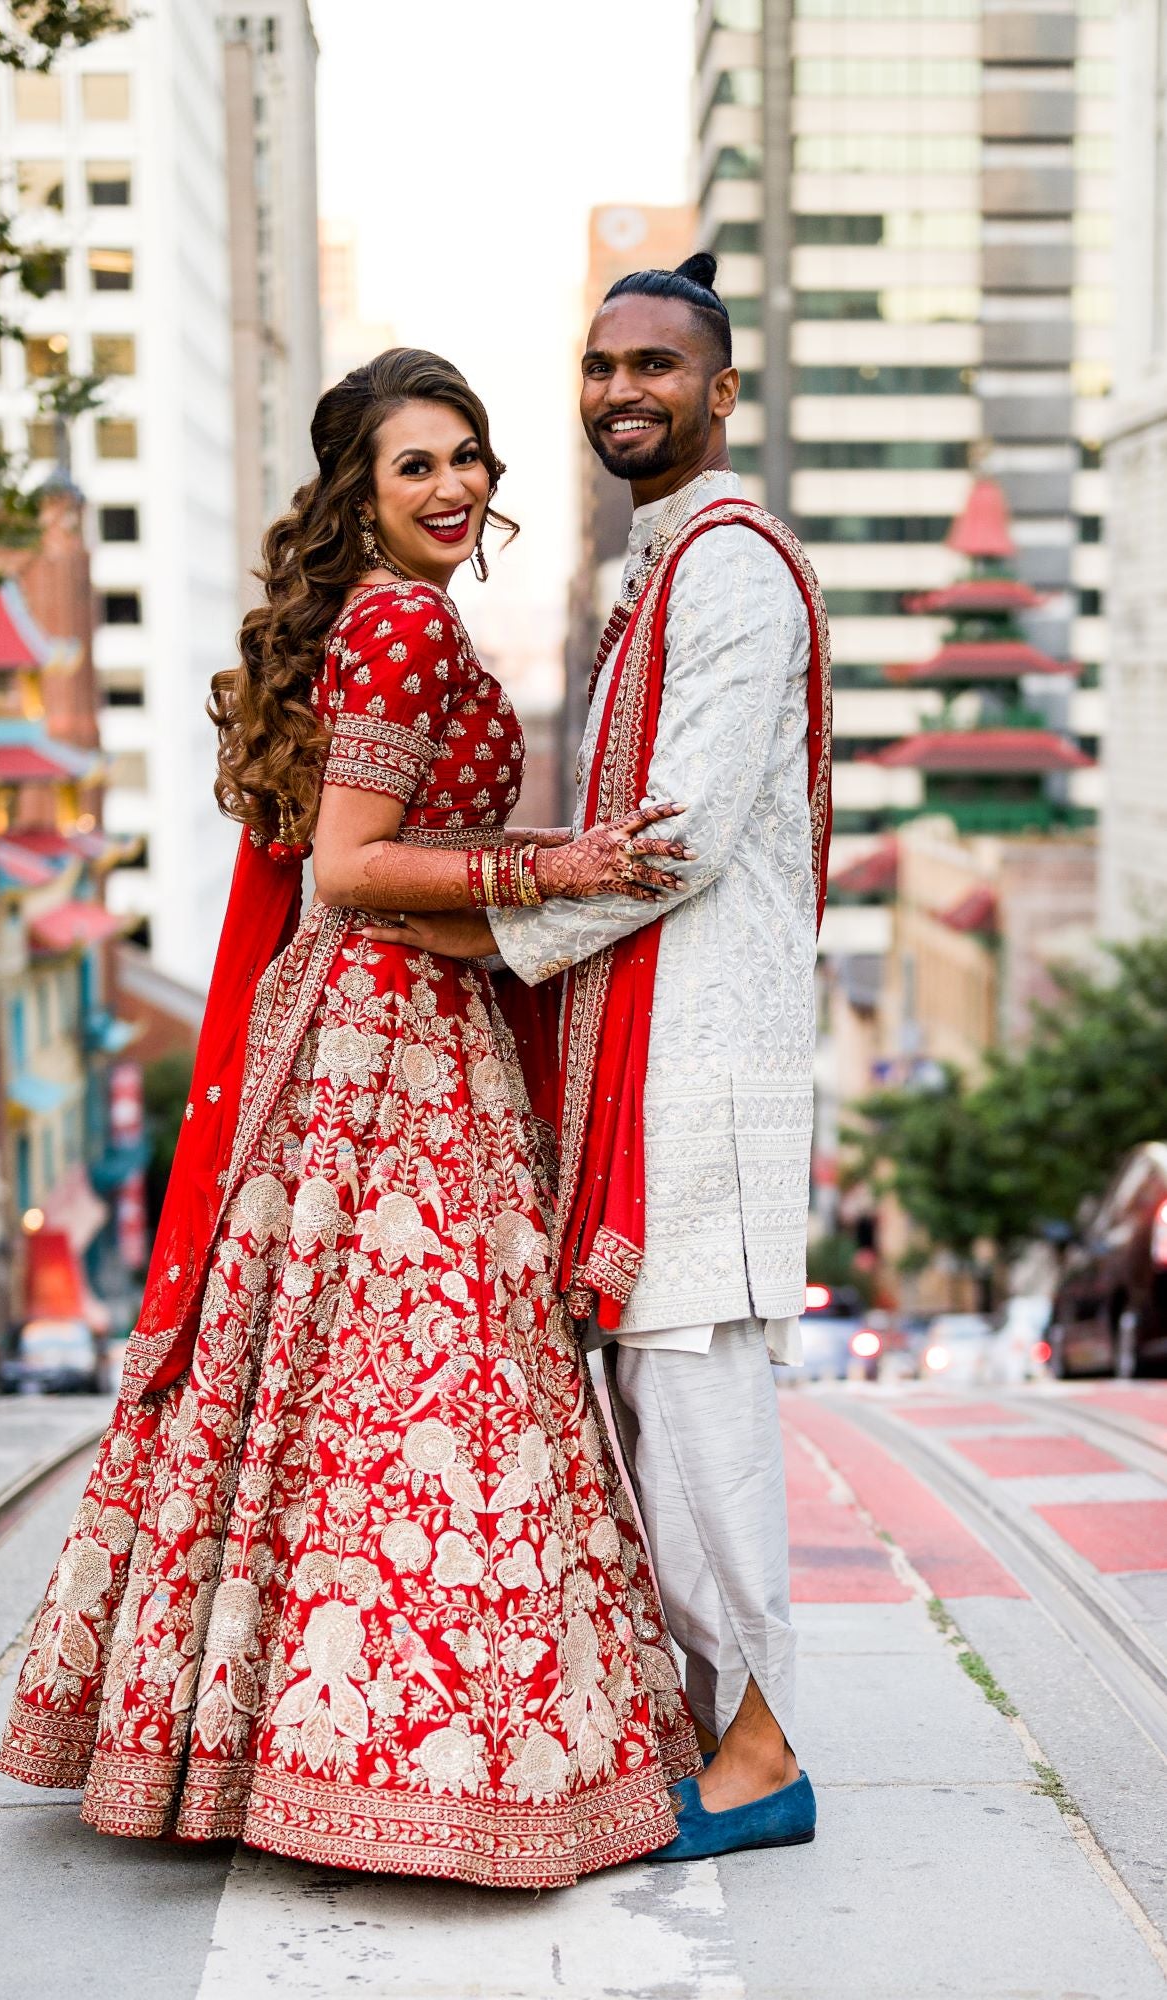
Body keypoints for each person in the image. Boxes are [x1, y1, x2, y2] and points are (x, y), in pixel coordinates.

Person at [0, 347, 703, 1889]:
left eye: (470, 459)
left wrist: (529, 871)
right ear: (358, 498)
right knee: (434, 1392)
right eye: (417, 467)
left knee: (355, 1395)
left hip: (408, 1026)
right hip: (385, 1050)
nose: (455, 488)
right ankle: (416, 1764)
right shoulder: (393, 625)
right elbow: (352, 870)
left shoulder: (407, 616)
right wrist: (559, 868)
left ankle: (305, 1755)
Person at [365, 258, 832, 1862]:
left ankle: (761, 1754)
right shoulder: (662, 565)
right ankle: (723, 1727)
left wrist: (481, 928)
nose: (620, 389)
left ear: (719, 390)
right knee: (656, 1395)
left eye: (656, 366)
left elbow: (678, 841)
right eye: (598, 364)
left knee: (697, 1399)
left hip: (703, 1047)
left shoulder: (731, 570)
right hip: (645, 1042)